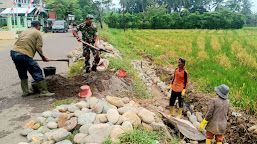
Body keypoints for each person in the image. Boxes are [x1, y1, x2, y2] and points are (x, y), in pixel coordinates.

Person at [10, 20, 54, 97]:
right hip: (24, 54)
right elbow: (38, 47)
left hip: (14, 52)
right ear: (38, 26)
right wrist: (43, 57)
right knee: (36, 71)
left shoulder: (24, 31)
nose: (40, 27)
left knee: (22, 72)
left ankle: (25, 92)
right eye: (40, 26)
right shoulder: (37, 33)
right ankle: (44, 92)